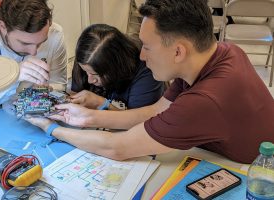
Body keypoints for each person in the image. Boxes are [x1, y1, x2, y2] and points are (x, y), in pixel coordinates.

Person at [26, 0, 274, 164]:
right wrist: (86, 117)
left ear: (178, 51)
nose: (142, 56)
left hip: (254, 174)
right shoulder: (221, 52)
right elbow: (156, 111)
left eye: (146, 47)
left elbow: (117, 148)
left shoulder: (204, 101)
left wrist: (51, 128)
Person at [0, 0, 67, 110]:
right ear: (3, 27)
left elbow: (59, 85)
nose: (34, 52)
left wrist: (46, 90)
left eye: (41, 43)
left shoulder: (55, 34)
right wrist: (14, 76)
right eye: (25, 43)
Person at [70, 24, 164, 110]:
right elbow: (75, 94)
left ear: (116, 66)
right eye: (86, 72)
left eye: (95, 74)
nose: (90, 80)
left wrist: (101, 103)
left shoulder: (147, 71)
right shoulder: (86, 59)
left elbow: (138, 123)